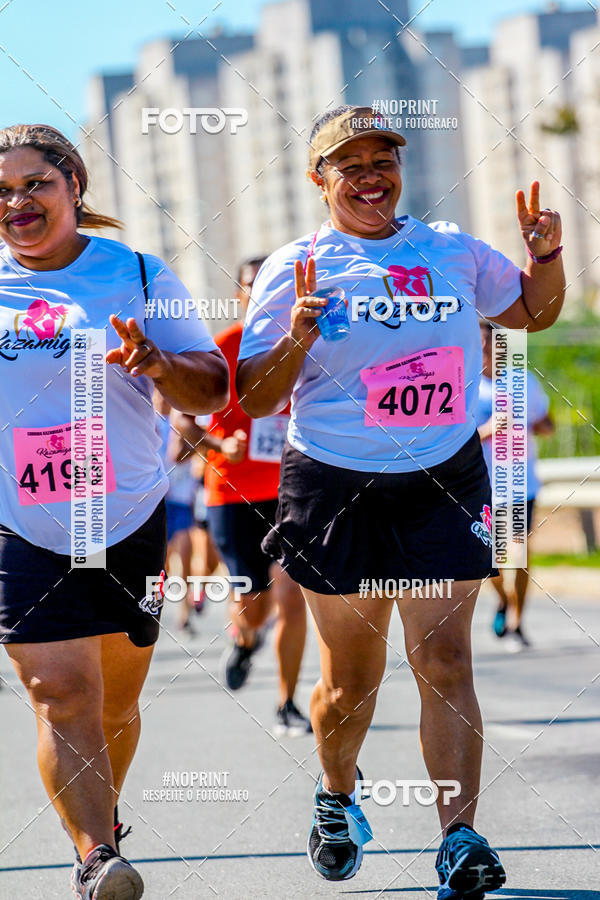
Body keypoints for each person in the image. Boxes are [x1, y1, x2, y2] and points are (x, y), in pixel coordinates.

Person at [236, 105, 565, 895]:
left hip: (442, 481)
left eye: (383, 160)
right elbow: (252, 399)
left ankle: (460, 838)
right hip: (335, 486)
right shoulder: (295, 266)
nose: (370, 177)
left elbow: (534, 313)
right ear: (321, 180)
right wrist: (300, 337)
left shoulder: (451, 249)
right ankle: (337, 799)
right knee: (351, 685)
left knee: (445, 662)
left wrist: (546, 256)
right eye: (350, 165)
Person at [0, 124, 228, 900]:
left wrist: (157, 361)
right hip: (18, 521)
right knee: (61, 694)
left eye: (34, 183)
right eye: (0, 192)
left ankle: (100, 817)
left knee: (117, 702)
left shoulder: (136, 274)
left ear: (73, 185)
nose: (17, 202)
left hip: (127, 515)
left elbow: (212, 388)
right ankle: (97, 854)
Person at [172, 257, 312, 735]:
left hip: (292, 491)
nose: (264, 297)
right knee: (255, 603)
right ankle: (247, 640)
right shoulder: (224, 348)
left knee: (291, 597)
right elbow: (184, 420)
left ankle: (287, 702)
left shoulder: (308, 344)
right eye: (254, 287)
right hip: (231, 495)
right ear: (239, 295)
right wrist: (218, 444)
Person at [475, 320, 554, 649]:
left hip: (519, 482)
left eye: (491, 343)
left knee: (517, 551)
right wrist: (490, 428)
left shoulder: (523, 382)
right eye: (480, 344)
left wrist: (531, 423)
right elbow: (455, 440)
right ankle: (505, 600)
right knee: (485, 558)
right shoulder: (465, 387)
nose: (486, 350)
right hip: (479, 484)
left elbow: (549, 425)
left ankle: (517, 622)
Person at [153, 391, 200, 634]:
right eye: (159, 393)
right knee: (162, 563)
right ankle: (153, 606)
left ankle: (185, 613)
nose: (163, 398)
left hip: (181, 498)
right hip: (157, 500)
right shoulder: (147, 419)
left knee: (185, 557)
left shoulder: (183, 421)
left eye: (166, 394)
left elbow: (196, 451)